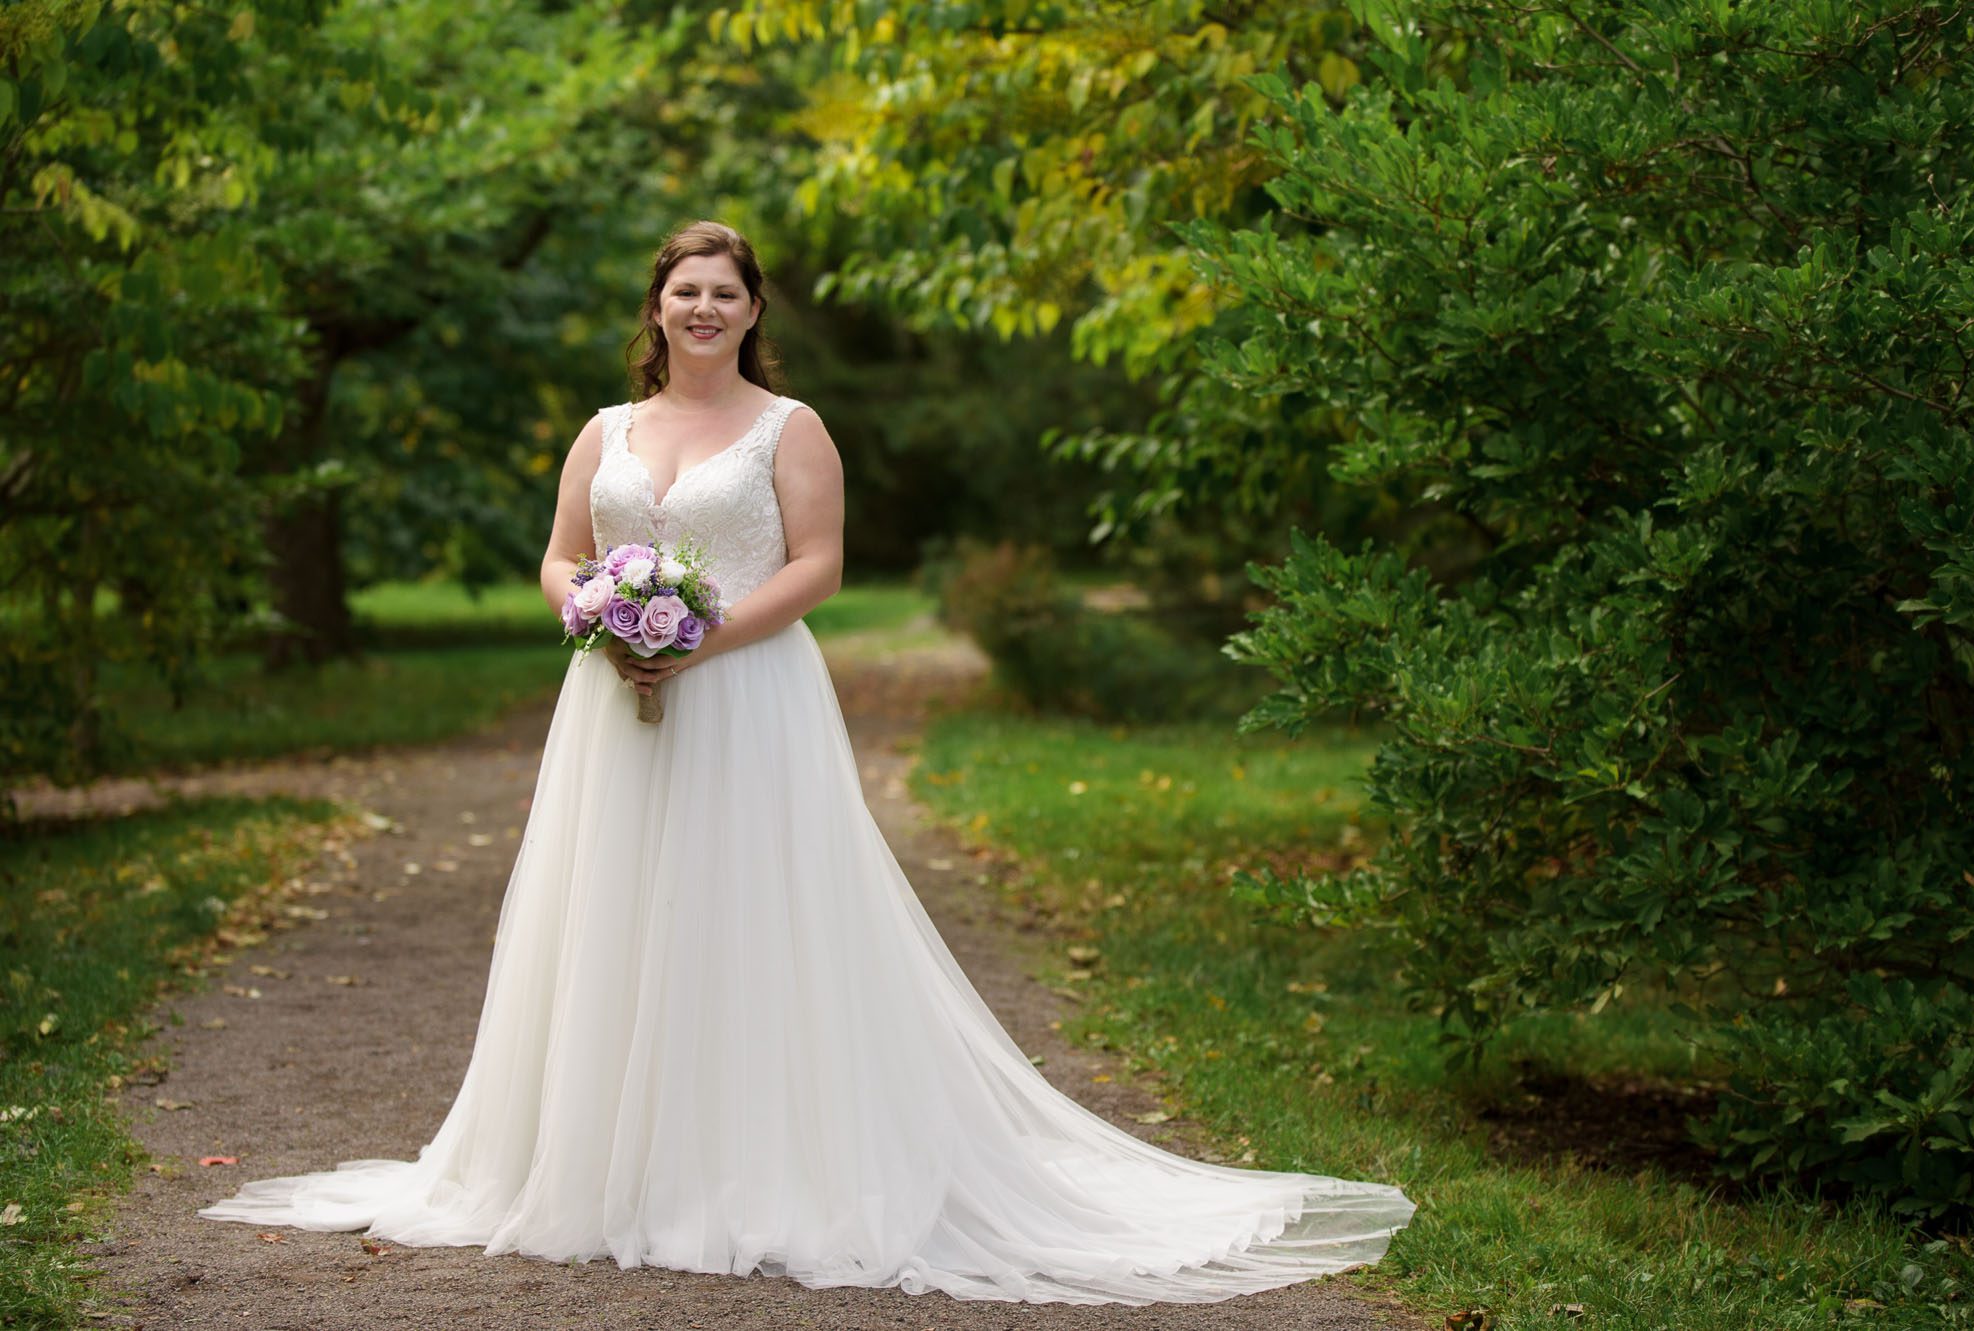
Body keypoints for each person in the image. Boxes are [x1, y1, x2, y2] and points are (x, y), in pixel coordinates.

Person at [198, 220, 1417, 1305]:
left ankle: (755, 1163)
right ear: (657, 307)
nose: (704, 310)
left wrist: (695, 632)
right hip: (609, 708)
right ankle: (596, 1161)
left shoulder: (792, 427)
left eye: (725, 292)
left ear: (754, 311)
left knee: (746, 919)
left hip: (746, 694)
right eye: (685, 291)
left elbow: (818, 565)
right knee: (613, 917)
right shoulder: (605, 430)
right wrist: (603, 615)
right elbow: (560, 555)